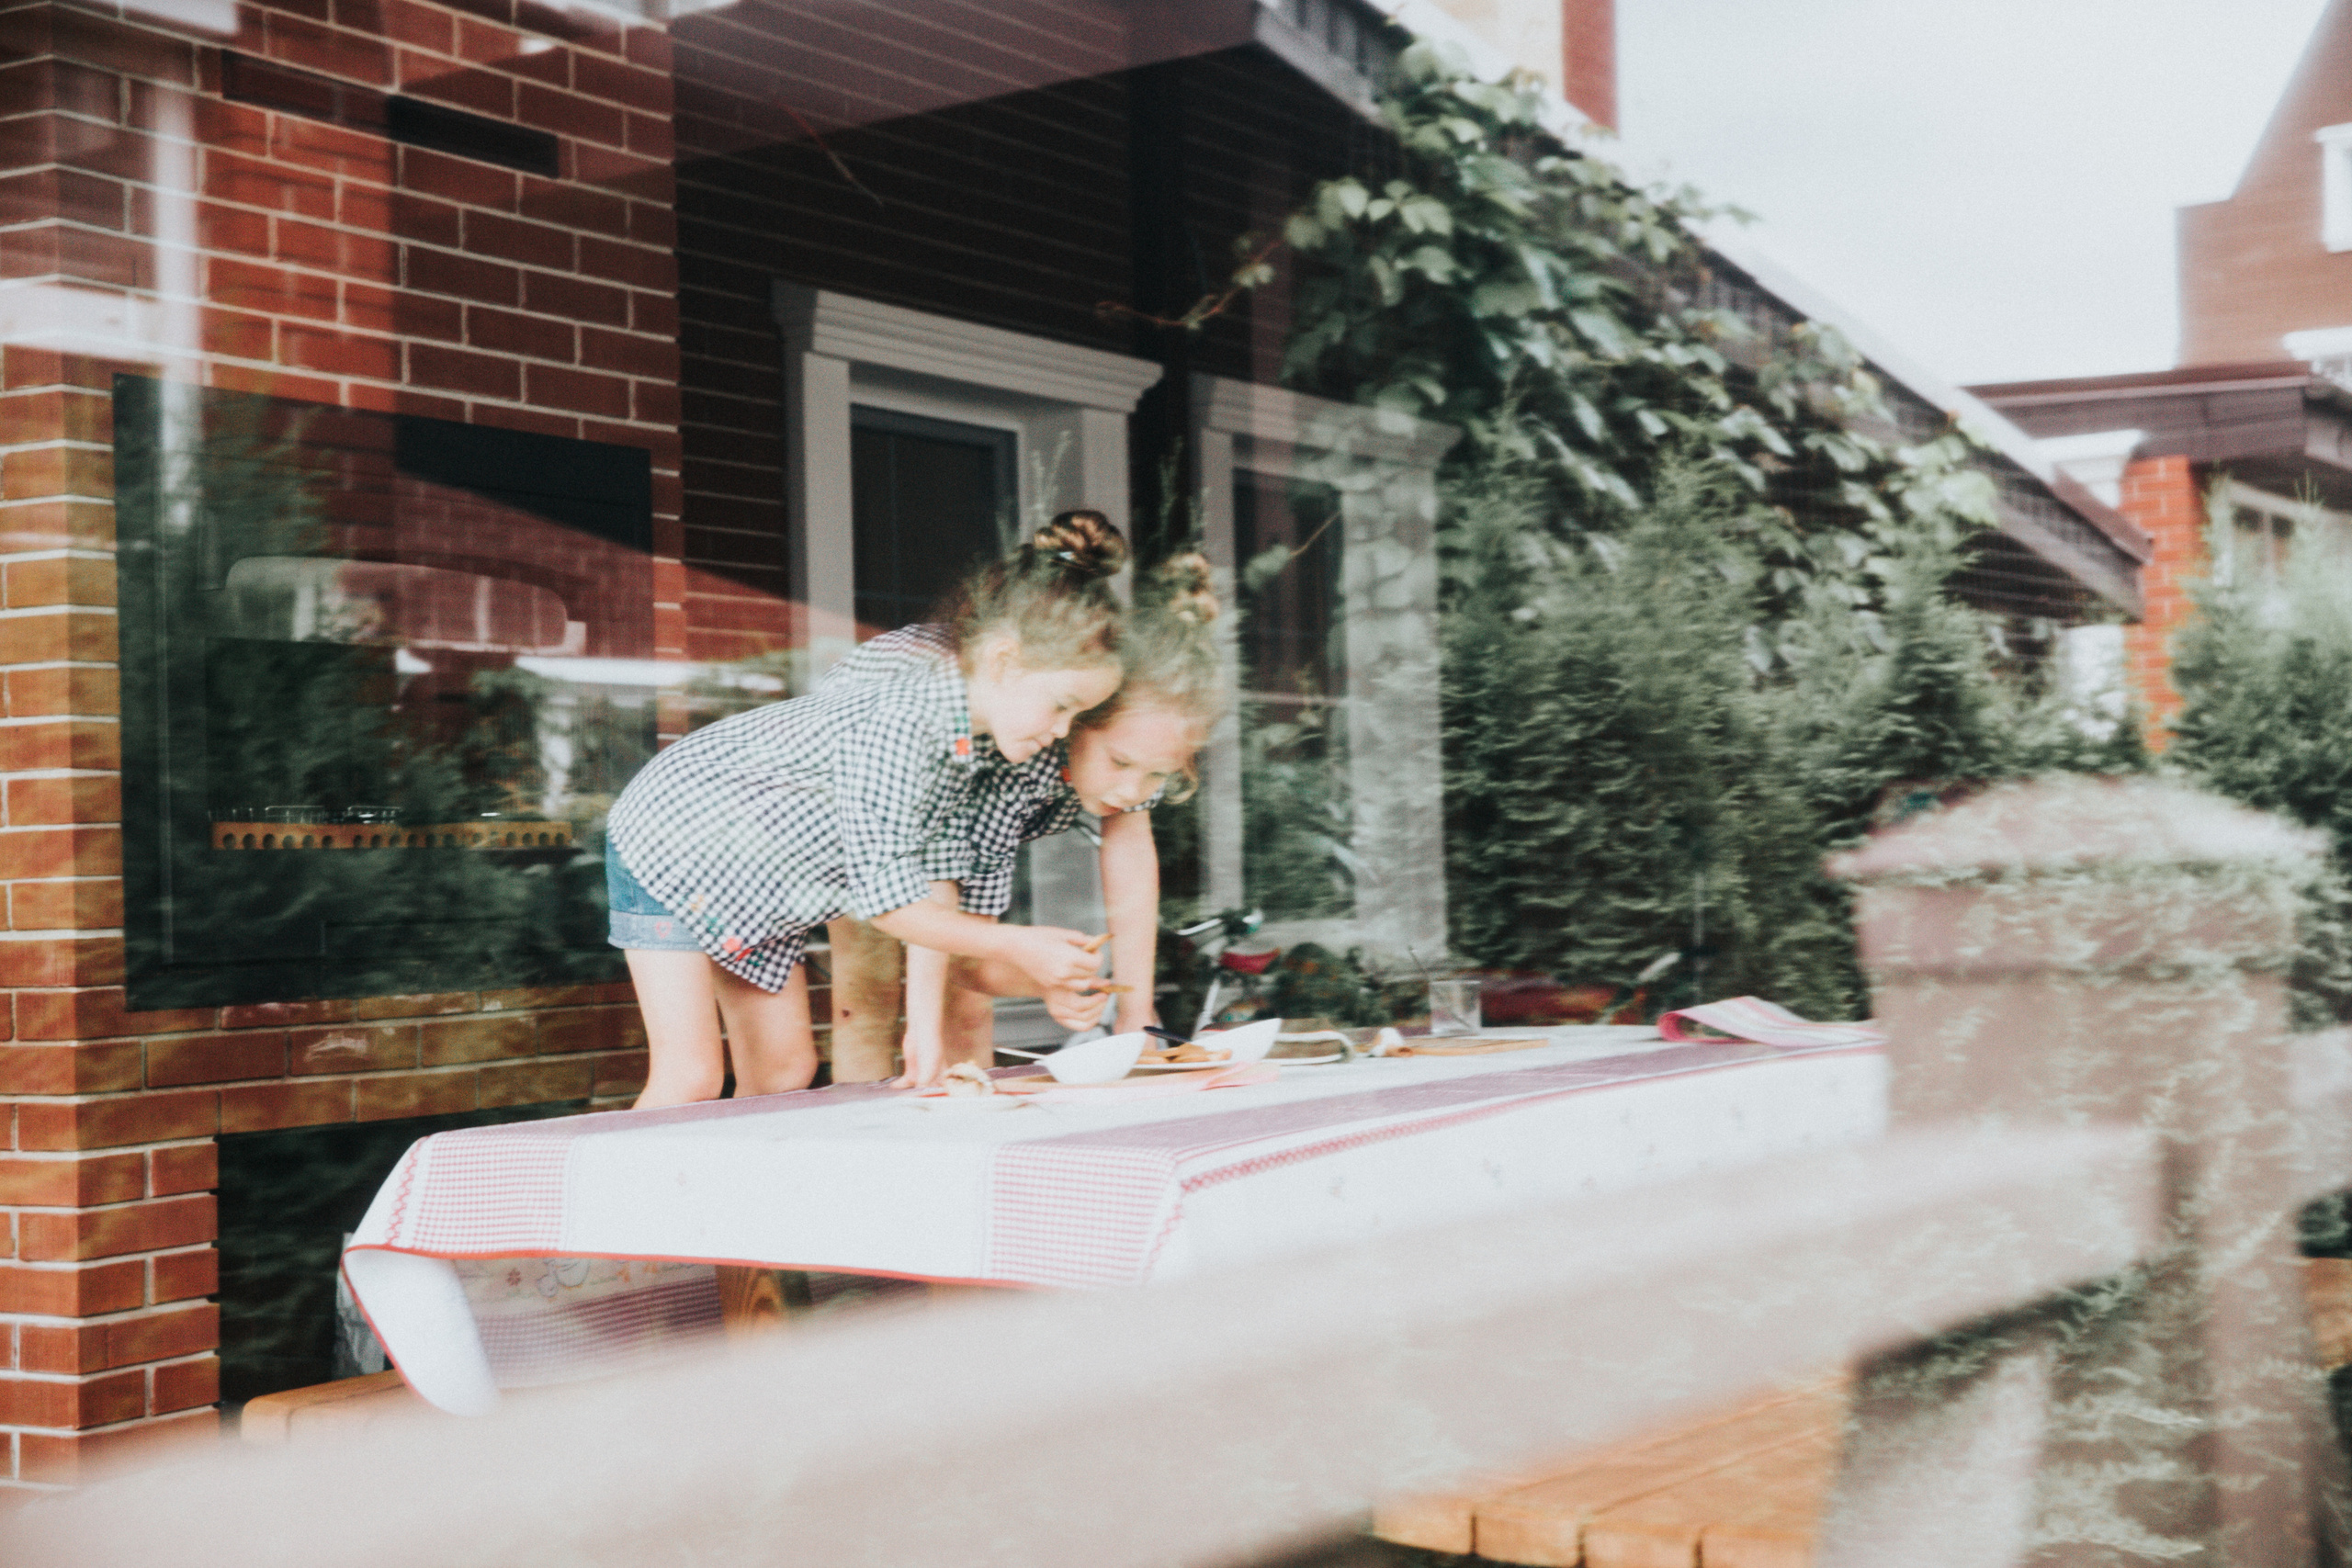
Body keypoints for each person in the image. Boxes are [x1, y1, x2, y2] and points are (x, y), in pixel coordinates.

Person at [602, 513, 1130, 1108]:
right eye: (1061, 705)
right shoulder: (901, 722)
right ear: (1005, 661)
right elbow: (890, 904)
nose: (1061, 731)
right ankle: (596, 1175)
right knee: (692, 1077)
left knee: (783, 1072)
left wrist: (925, 1027)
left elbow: (935, 884)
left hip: (752, 881)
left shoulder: (965, 742)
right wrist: (1020, 946)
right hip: (674, 839)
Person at [925, 552, 1227, 1066]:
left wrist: (1136, 1010)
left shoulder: (1126, 767)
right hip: (867, 842)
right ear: (1078, 718)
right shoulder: (1010, 764)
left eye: (1156, 775)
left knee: (968, 1007)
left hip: (943, 866)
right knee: (875, 1006)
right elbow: (963, 955)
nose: (1132, 791)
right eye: (1121, 762)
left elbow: (1131, 872)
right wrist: (1041, 978)